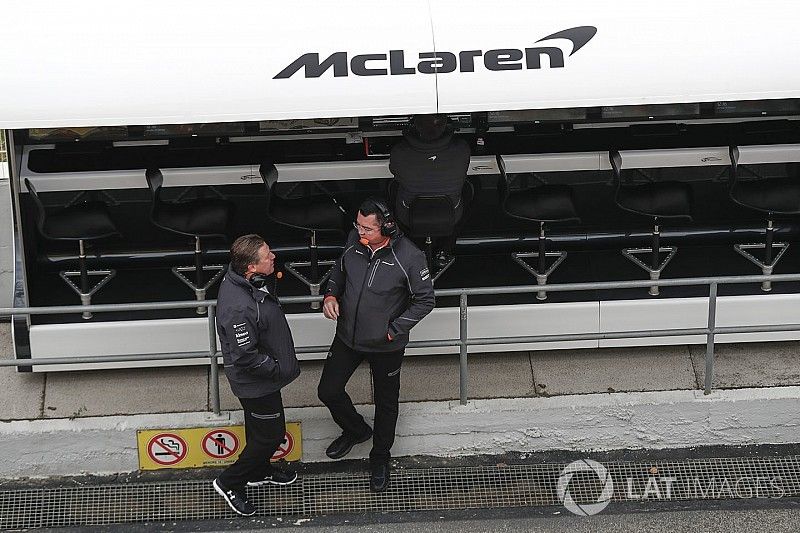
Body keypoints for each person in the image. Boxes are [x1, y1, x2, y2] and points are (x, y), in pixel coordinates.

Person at [318, 198, 435, 492]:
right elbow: (339, 269)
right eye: (358, 225)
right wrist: (331, 294)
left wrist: (394, 330)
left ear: (388, 227)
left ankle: (380, 458)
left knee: (386, 404)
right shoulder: (354, 240)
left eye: (368, 228)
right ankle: (357, 430)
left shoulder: (409, 256)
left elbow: (425, 300)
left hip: (386, 344)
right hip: (348, 337)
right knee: (328, 390)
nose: (360, 232)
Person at [212, 234, 301, 516]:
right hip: (257, 383)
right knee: (272, 435)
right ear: (250, 267)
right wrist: (275, 369)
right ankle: (230, 481)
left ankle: (259, 470)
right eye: (267, 256)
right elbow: (245, 355)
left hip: (262, 379)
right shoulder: (239, 306)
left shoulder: (246, 282)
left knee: (258, 429)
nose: (273, 257)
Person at [389, 113, 471, 266]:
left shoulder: (400, 151)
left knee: (393, 188)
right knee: (473, 187)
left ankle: (411, 249)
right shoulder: (462, 148)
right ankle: (445, 249)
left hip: (408, 217)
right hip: (451, 215)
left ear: (414, 126)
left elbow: (394, 172)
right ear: (447, 126)